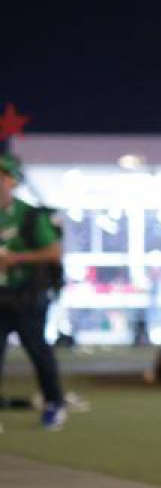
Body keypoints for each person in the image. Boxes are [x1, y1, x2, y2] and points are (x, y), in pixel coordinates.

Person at [0, 154, 68, 429]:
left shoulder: (28, 215)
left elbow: (54, 252)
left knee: (39, 351)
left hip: (26, 297)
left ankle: (54, 403)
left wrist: (16, 258)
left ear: (12, 180)